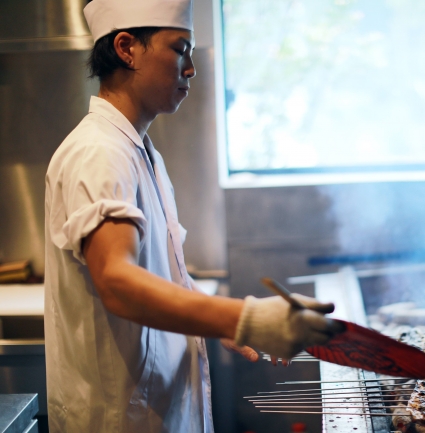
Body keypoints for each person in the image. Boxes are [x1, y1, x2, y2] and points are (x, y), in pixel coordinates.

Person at [43, 0, 343, 431]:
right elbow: (118, 281)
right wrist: (246, 318)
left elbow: (159, 276)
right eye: (180, 48)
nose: (191, 69)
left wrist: (216, 323)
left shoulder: (141, 151)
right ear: (127, 47)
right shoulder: (98, 153)